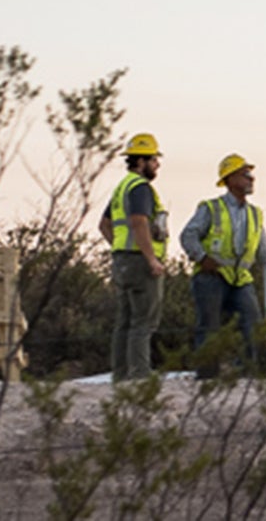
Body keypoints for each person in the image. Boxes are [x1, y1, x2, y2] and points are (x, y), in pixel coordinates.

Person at [179, 153, 266, 374]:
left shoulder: (255, 214)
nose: (251, 179)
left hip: (241, 279)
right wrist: (201, 258)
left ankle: (247, 375)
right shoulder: (211, 208)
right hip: (211, 278)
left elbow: (265, 252)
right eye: (245, 174)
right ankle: (207, 377)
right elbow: (188, 235)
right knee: (209, 329)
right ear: (229, 179)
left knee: (253, 327)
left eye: (251, 175)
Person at [99, 132, 168, 381]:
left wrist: (119, 248)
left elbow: (104, 225)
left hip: (122, 261)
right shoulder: (140, 188)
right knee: (144, 322)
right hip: (140, 263)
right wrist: (151, 258)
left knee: (124, 322)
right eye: (153, 159)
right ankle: (140, 376)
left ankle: (120, 375)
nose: (157, 164)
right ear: (141, 162)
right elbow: (139, 222)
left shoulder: (121, 188)